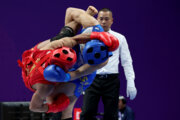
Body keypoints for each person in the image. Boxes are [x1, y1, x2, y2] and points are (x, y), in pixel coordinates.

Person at [18, 6, 119, 120]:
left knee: (68, 32)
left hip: (41, 57)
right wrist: (53, 108)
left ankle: (82, 19)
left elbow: (69, 11)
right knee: (58, 101)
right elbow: (34, 107)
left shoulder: (92, 34)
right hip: (34, 69)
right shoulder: (46, 87)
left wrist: (93, 35)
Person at [80, 8, 137, 120]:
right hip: (92, 78)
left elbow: (127, 62)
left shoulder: (120, 38)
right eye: (101, 19)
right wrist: (82, 81)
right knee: (86, 113)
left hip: (111, 81)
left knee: (111, 116)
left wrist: (131, 81)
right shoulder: (88, 36)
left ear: (112, 20)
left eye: (107, 19)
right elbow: (81, 58)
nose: (103, 22)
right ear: (97, 19)